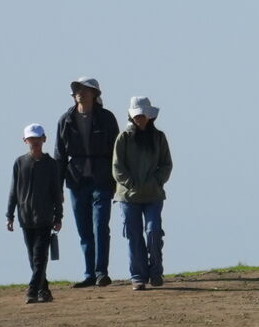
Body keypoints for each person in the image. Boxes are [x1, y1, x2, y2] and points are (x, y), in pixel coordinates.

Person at [58, 76, 121, 286]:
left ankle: (101, 271)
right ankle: (89, 274)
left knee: (100, 226)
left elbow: (117, 152)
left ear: (95, 94)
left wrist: (117, 182)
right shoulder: (65, 120)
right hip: (76, 182)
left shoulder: (107, 118)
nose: (80, 92)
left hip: (102, 179)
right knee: (84, 230)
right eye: (77, 89)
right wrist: (57, 189)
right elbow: (59, 155)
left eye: (85, 89)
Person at [116, 95, 174, 288]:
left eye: (143, 115)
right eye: (137, 115)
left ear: (150, 116)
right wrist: (131, 184)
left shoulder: (159, 137)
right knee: (133, 235)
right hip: (128, 197)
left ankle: (156, 272)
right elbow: (117, 167)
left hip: (153, 195)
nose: (140, 118)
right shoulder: (123, 138)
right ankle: (138, 276)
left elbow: (166, 164)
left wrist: (156, 181)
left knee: (153, 231)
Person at [7, 126, 66, 303]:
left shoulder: (51, 164)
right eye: (31, 139)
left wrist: (58, 216)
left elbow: (57, 192)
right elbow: (13, 191)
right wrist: (9, 215)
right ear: (25, 141)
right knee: (33, 257)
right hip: (26, 218)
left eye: (38, 138)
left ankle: (32, 290)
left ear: (44, 139)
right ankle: (44, 291)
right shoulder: (19, 163)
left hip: (44, 217)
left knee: (40, 256)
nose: (35, 142)